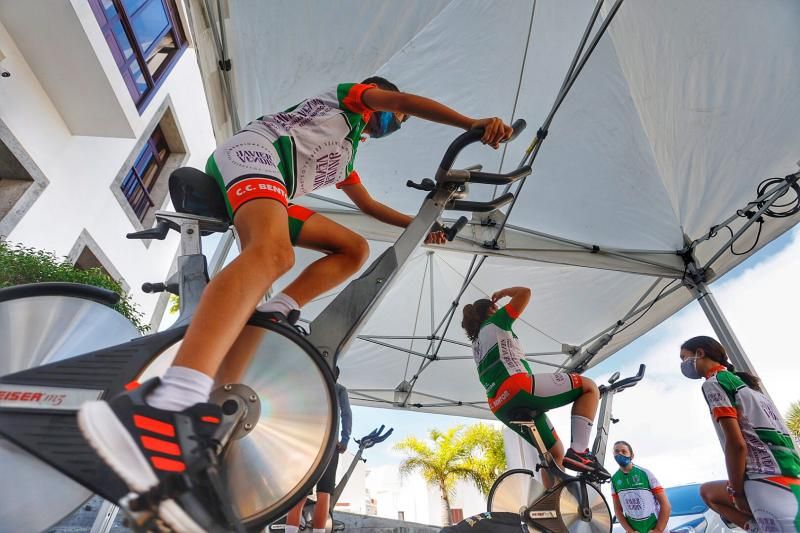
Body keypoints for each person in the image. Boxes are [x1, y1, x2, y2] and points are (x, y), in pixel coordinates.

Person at [78, 76, 514, 530]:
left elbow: (369, 208)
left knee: (353, 249)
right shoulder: (349, 99)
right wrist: (471, 123)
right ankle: (169, 400)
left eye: (401, 120)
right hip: (252, 156)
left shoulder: (347, 157)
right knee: (272, 254)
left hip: (272, 188)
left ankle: (277, 308)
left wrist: (424, 224)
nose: (399, 120)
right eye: (398, 118)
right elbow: (403, 99)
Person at [461, 286, 609, 483]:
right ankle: (579, 452)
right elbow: (525, 293)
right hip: (518, 387)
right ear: (491, 310)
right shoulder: (496, 321)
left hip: (499, 405)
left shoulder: (476, 344)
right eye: (496, 308)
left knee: (554, 453)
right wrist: (504, 293)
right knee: (589, 387)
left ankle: (550, 503)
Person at [679, 335, 800, 532]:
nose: (683, 364)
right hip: (790, 472)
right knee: (708, 492)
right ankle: (755, 527)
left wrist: (736, 492)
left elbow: (736, 444)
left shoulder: (713, 382)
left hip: (764, 479)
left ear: (700, 353)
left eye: (684, 358)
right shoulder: (747, 386)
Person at [285, 367, 352, 533]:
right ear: (337, 376)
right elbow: (346, 414)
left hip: (308, 444)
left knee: (301, 491)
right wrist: (344, 439)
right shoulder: (339, 389)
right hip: (330, 445)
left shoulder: (311, 387)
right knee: (324, 492)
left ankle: (290, 530)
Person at [610, 440, 671, 533]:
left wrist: (658, 530)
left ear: (632, 455)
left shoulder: (645, 473)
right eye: (616, 451)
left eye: (624, 451)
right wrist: (629, 530)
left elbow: (665, 504)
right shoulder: (614, 479)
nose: (620, 454)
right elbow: (617, 510)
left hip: (654, 529)